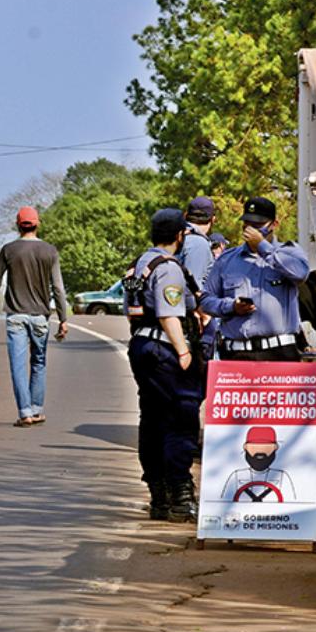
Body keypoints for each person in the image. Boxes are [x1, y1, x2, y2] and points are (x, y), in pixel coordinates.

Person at [125, 208, 205, 522]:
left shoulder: (139, 264)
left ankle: (158, 496)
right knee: (181, 418)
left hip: (142, 344)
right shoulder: (169, 268)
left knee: (153, 419)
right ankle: (180, 496)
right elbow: (168, 313)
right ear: (179, 235)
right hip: (165, 348)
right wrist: (184, 351)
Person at [0, 206, 70, 427]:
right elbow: (58, 288)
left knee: (18, 365)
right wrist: (63, 318)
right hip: (41, 317)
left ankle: (25, 413)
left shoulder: (9, 250)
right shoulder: (50, 251)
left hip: (16, 317)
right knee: (39, 361)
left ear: (18, 225)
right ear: (38, 224)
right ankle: (37, 410)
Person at [201, 197, 310, 362]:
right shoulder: (227, 260)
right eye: (247, 223)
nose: (251, 229)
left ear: (274, 224)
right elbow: (206, 300)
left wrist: (262, 246)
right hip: (237, 354)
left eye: (258, 225)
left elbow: (300, 273)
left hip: (279, 353)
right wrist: (231, 306)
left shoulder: (289, 252)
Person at [178, 196, 216, 286]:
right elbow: (193, 288)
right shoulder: (199, 244)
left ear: (185, 215)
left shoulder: (177, 235)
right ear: (213, 219)